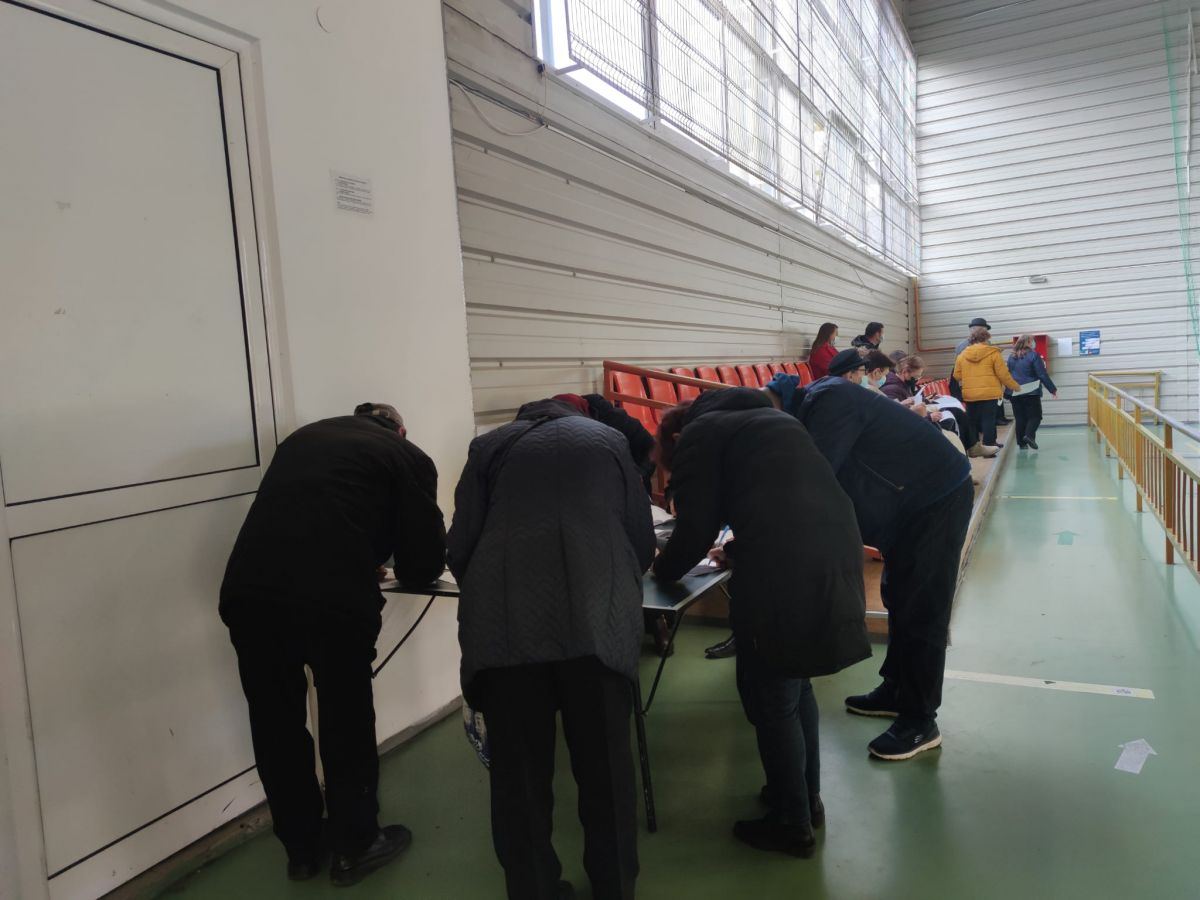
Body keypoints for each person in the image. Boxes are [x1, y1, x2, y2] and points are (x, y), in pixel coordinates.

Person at [220, 403, 446, 886]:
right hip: (331, 602)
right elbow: (424, 561)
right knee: (346, 719)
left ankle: (302, 850)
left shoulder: (303, 439)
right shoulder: (406, 456)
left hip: (249, 593)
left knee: (276, 723)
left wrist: (362, 552)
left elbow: (312, 517)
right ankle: (357, 846)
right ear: (401, 430)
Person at [448, 397, 655, 900]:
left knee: (519, 778)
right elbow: (642, 540)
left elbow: (461, 547)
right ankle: (614, 886)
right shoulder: (611, 442)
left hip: (508, 631)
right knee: (606, 770)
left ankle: (533, 888)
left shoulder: (488, 446)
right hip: (597, 627)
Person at [653, 388, 869, 857]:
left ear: (676, 435)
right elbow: (784, 504)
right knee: (796, 683)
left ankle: (791, 824)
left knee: (770, 696)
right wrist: (734, 549)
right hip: (834, 552)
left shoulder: (702, 433)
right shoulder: (774, 421)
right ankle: (805, 798)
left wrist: (661, 570)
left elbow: (694, 527)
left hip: (783, 575)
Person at [762, 374, 973, 761]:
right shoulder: (813, 406)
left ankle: (920, 721)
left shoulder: (829, 401)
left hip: (936, 498)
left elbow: (814, 479)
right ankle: (895, 690)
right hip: (906, 506)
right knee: (898, 597)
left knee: (923, 609)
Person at [953, 325, 1020, 451]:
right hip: (990, 393)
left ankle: (975, 447)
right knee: (988, 420)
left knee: (972, 421)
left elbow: (957, 375)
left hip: (970, 394)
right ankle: (989, 446)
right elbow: (1003, 374)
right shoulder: (993, 353)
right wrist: (1015, 386)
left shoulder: (962, 355)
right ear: (986, 338)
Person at [1006, 334, 1058, 450]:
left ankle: (1021, 444)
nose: (1034, 343)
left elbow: (1008, 375)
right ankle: (1029, 436)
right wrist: (1052, 389)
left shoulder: (1011, 357)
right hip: (1031, 392)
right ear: (1028, 343)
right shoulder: (1034, 355)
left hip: (1015, 392)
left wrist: (1008, 391)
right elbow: (1042, 374)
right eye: (1032, 341)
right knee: (1035, 416)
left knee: (1020, 418)